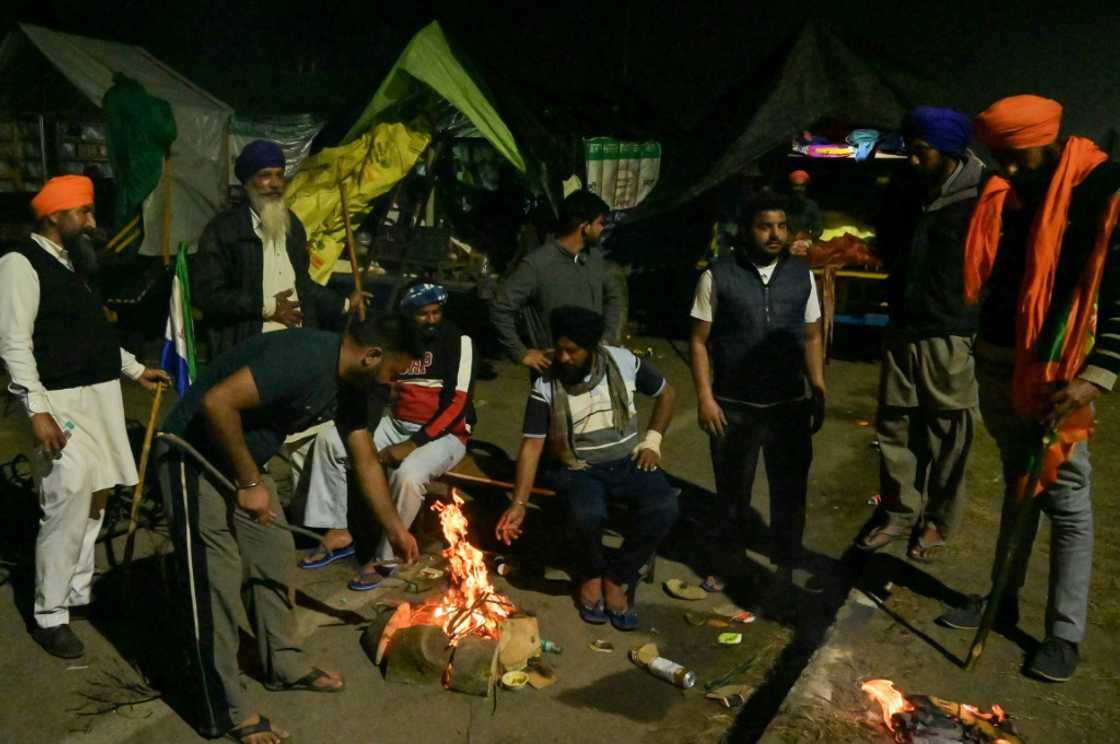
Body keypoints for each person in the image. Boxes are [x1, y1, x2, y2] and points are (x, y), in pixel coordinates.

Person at [154, 315, 419, 742]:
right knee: (214, 581)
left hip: (242, 464)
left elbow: (366, 458)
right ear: (372, 356)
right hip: (191, 457)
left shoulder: (352, 386)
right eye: (393, 372)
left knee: (274, 552)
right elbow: (217, 403)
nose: (393, 384)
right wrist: (251, 483)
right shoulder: (305, 358)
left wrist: (395, 529)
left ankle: (280, 662)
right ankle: (225, 710)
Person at [934, 95, 1120, 683]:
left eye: (1015, 156)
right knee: (1020, 482)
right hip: (998, 359)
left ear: (1048, 139)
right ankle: (1000, 599)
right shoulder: (1013, 189)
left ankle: (1064, 633)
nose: (1006, 170)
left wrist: (1096, 375)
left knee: (1066, 500)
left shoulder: (1103, 189)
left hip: (1057, 369)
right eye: (998, 158)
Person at [0, 175, 170, 658]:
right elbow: (13, 343)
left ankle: (77, 595)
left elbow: (92, 333)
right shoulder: (19, 263)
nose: (93, 222)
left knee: (95, 502)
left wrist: (136, 370)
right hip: (61, 403)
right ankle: (49, 613)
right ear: (55, 216)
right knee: (66, 503)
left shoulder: (73, 262)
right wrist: (36, 410)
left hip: (100, 398)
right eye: (84, 212)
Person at [495, 307, 678, 631]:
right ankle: (592, 573)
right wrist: (518, 503)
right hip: (577, 467)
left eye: (572, 351)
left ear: (592, 349)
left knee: (664, 507)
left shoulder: (622, 362)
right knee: (586, 514)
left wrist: (652, 441)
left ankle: (616, 576)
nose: (563, 357)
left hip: (626, 461)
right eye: (560, 348)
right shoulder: (546, 384)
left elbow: (666, 393)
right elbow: (532, 446)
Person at [857, 107, 986, 561]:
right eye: (909, 151)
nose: (912, 161)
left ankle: (938, 520)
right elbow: (888, 243)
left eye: (921, 152)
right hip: (904, 326)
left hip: (950, 330)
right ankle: (898, 512)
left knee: (949, 431)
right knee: (895, 423)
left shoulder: (985, 196)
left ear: (949, 151)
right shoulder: (906, 192)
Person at [689, 191, 826, 589]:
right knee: (732, 493)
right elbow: (699, 341)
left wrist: (818, 387)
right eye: (765, 226)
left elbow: (813, 335)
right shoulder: (717, 275)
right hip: (735, 406)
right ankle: (730, 562)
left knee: (790, 490)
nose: (775, 235)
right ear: (746, 231)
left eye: (782, 226)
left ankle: (786, 558)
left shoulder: (802, 275)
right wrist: (705, 398)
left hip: (789, 405)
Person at [299, 281, 475, 590]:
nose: (432, 320)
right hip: (394, 422)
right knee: (329, 441)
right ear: (407, 315)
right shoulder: (394, 342)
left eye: (437, 312)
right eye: (423, 314)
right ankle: (339, 530)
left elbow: (458, 405)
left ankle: (387, 556)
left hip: (444, 435)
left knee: (408, 475)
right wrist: (365, 430)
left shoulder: (458, 339)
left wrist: (413, 443)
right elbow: (376, 392)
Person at [192, 139, 366, 356]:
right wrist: (267, 307)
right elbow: (207, 294)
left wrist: (345, 303)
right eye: (265, 175)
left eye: (279, 175)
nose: (275, 184)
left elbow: (302, 284)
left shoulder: (291, 225)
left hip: (296, 344)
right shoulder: (224, 230)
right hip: (247, 345)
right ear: (247, 182)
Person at [490, 190, 624, 374]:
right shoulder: (537, 265)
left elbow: (613, 296)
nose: (602, 229)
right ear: (584, 226)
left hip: (593, 370)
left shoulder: (594, 258)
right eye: (600, 223)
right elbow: (501, 307)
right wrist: (520, 352)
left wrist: (607, 341)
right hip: (554, 372)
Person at [786, 170, 822, 256]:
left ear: (806, 188)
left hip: (805, 241)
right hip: (786, 241)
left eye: (801, 186)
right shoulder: (784, 204)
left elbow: (818, 229)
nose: (798, 189)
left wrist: (807, 235)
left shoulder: (812, 206)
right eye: (796, 186)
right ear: (791, 188)